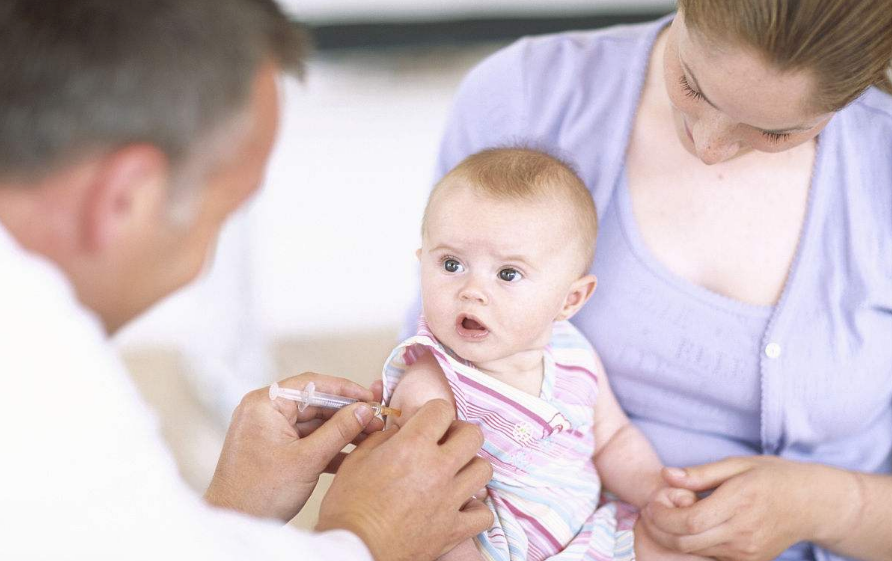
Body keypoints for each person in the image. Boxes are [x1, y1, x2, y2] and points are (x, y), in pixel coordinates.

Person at [0, 1, 493, 560]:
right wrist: (368, 536)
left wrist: (232, 510)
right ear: (126, 198)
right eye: (223, 213)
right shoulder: (41, 389)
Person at [403, 1, 892, 560]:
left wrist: (835, 505)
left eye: (775, 132)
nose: (708, 147)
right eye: (692, 84)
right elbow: (430, 379)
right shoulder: (526, 95)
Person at [384, 147, 705, 561]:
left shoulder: (573, 354)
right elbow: (429, 510)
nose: (472, 290)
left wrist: (654, 490)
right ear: (421, 263)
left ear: (569, 299)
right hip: (496, 548)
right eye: (450, 265)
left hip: (594, 530)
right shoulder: (433, 384)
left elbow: (613, 439)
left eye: (508, 274)